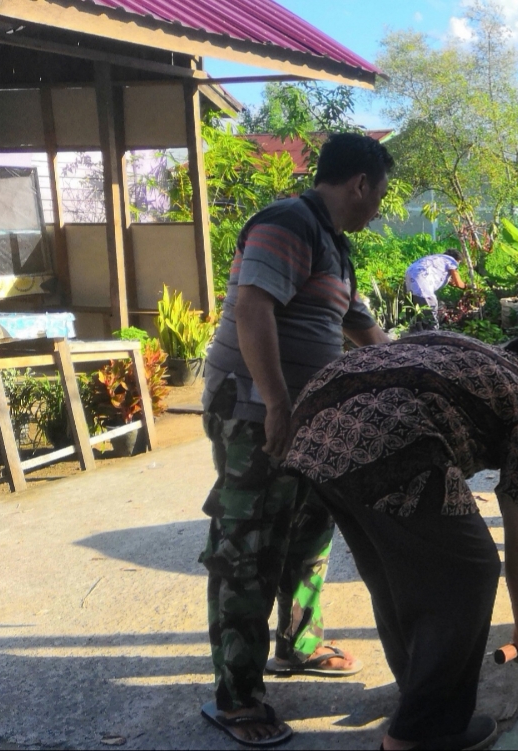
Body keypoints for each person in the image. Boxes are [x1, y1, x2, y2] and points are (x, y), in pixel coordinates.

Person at [283, 327, 518, 750]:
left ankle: (417, 690)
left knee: (392, 569)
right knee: (472, 569)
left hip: (314, 421)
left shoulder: (461, 345)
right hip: (392, 431)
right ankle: (424, 732)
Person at [198, 132, 394, 746]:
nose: (380, 208)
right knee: (248, 550)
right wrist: (280, 402)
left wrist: (425, 370)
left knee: (308, 530)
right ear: (360, 183)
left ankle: (299, 642)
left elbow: (364, 330)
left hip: (302, 418)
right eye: (380, 194)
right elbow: (253, 307)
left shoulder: (334, 248)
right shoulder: (289, 223)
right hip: (255, 414)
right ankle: (235, 697)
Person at [404, 249, 466, 331]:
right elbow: (459, 284)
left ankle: (416, 335)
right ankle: (433, 337)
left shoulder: (436, 258)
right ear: (457, 259)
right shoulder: (451, 261)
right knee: (431, 317)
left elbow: (440, 275)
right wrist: (468, 287)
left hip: (410, 278)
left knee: (418, 315)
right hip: (423, 283)